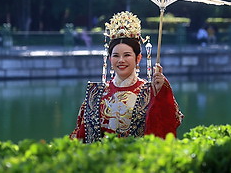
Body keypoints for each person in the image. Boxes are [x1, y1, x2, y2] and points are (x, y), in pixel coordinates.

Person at [70, 11, 183, 143]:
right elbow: (81, 135)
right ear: (110, 58)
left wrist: (161, 93)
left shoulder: (151, 91)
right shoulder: (96, 93)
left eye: (127, 55)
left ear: (138, 58)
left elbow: (165, 128)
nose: (121, 60)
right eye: (116, 55)